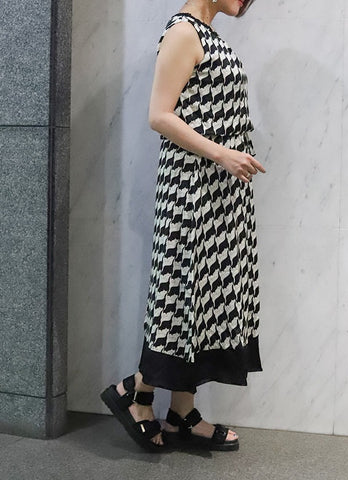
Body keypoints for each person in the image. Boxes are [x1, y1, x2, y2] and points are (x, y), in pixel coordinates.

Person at [100, 0, 265, 453]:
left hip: (218, 195)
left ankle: (180, 412)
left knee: (201, 305)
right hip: (191, 191)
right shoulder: (183, 32)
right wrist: (222, 153)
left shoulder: (208, 35)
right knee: (179, 296)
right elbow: (159, 114)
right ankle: (137, 393)